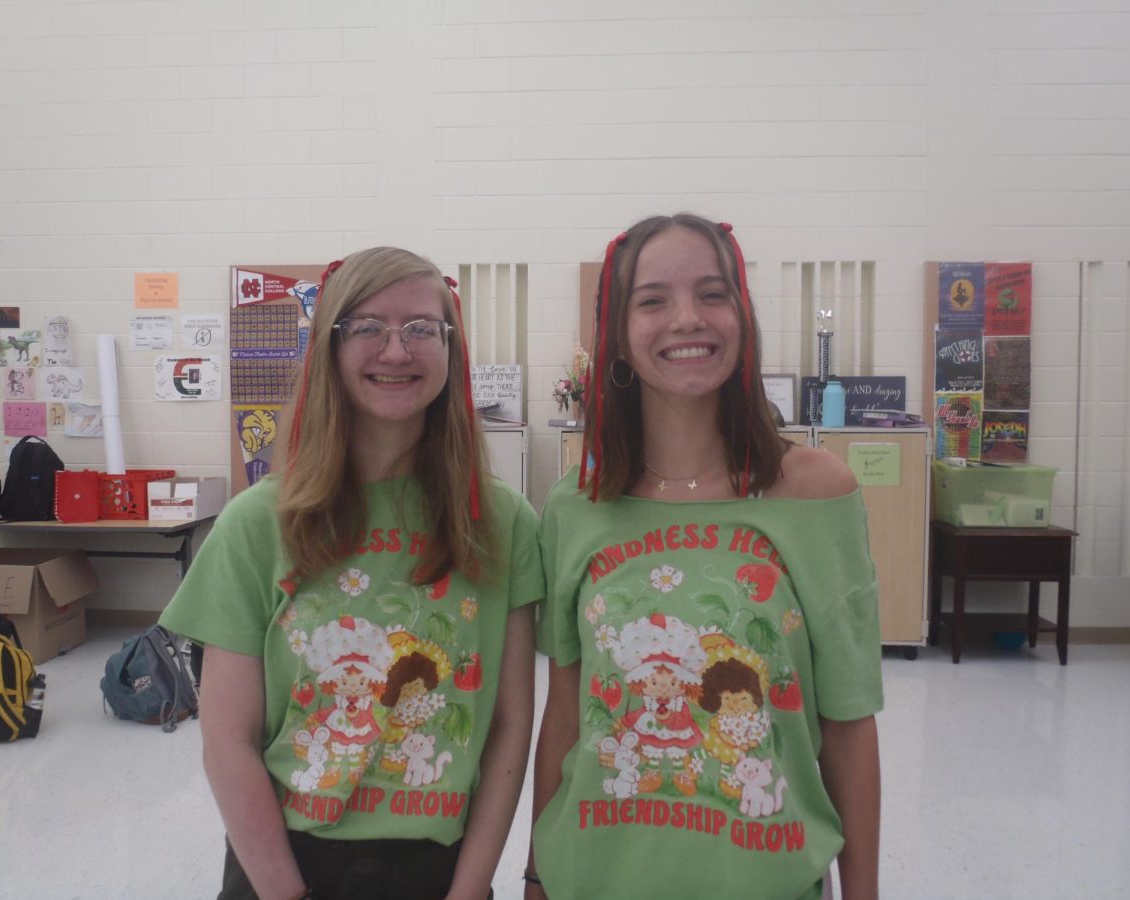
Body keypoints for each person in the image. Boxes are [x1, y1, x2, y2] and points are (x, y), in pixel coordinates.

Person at [160, 247, 543, 900]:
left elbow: (509, 726)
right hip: (284, 864)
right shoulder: (257, 524)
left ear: (452, 351)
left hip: (441, 869)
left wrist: (471, 888)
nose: (396, 351)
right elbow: (228, 742)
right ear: (331, 349)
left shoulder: (502, 521)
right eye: (367, 327)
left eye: (421, 328)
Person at [526, 215, 882, 900]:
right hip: (593, 879)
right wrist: (537, 876)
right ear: (620, 339)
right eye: (653, 300)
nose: (687, 318)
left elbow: (849, 724)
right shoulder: (577, 505)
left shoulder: (816, 495)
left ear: (742, 319)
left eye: (713, 294)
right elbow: (565, 716)